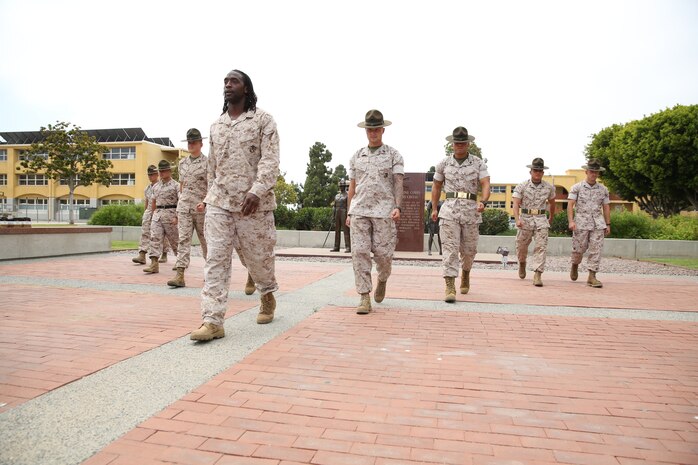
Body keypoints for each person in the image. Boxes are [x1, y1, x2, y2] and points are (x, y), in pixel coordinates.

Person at [191, 69, 280, 341]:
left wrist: (257, 190)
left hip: (253, 204)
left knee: (259, 259)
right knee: (215, 260)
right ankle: (212, 320)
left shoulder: (263, 120)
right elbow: (212, 166)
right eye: (225, 82)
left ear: (246, 88)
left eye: (234, 81)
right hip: (220, 202)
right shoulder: (216, 125)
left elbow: (270, 160)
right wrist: (208, 197)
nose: (228, 85)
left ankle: (266, 292)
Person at [346, 109, 404, 315]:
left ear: (382, 130)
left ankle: (382, 278)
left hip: (384, 212)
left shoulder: (393, 155)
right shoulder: (356, 156)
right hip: (359, 210)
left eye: (376, 129)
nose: (373, 132)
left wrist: (397, 206)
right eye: (370, 129)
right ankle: (363, 297)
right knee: (359, 253)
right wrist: (349, 211)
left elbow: (398, 183)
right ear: (366, 131)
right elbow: (352, 186)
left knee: (383, 255)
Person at [431, 127, 490, 303]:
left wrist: (484, 201)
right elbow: (436, 186)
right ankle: (450, 285)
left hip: (471, 211)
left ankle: (465, 272)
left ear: (468, 144)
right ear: (452, 144)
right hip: (449, 210)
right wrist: (434, 208)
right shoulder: (443, 164)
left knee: (469, 250)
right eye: (457, 143)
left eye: (463, 143)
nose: (460, 146)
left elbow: (486, 183)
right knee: (449, 249)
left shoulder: (478, 163)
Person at [167, 128, 208, 288]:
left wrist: (205, 202)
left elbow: (211, 185)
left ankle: (211, 273)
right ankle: (180, 274)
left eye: (194, 142)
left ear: (201, 144)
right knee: (183, 240)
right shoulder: (182, 163)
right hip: (184, 207)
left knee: (206, 241)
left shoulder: (207, 163)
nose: (191, 144)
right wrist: (178, 209)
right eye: (189, 142)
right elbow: (182, 187)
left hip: (201, 209)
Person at [512, 158, 556, 286]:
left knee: (541, 247)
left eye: (540, 171)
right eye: (535, 170)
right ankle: (522, 263)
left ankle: (538, 274)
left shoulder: (549, 187)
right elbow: (515, 203)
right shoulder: (522, 186)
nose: (537, 173)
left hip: (541, 219)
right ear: (530, 172)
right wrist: (517, 219)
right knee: (521, 246)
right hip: (525, 218)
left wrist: (551, 217)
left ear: (543, 173)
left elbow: (552, 203)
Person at [567, 159, 611, 288]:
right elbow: (570, 205)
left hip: (598, 223)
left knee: (596, 249)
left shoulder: (603, 189)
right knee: (578, 249)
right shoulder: (577, 187)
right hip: (581, 223)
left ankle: (592, 276)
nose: (594, 174)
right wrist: (571, 221)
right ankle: (575, 264)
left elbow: (606, 207)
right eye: (591, 171)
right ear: (586, 172)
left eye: (596, 172)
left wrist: (608, 224)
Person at [143, 160, 180, 273]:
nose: (162, 173)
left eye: (164, 171)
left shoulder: (176, 186)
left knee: (175, 241)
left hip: (170, 214)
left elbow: (180, 201)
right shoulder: (156, 187)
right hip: (158, 215)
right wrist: (153, 214)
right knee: (154, 238)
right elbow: (153, 201)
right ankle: (154, 264)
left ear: (170, 171)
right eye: (160, 171)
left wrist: (177, 217)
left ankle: (180, 262)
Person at [132, 165, 172, 265]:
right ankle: (142, 254)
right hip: (149, 212)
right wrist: (145, 213)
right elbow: (147, 201)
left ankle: (164, 253)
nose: (151, 177)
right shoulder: (147, 188)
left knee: (162, 235)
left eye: (153, 174)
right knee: (145, 232)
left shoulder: (161, 186)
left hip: (159, 211)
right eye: (149, 175)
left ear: (157, 174)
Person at [330, 179, 351, 253]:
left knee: (346, 230)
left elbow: (349, 206)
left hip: (344, 212)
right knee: (337, 230)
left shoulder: (347, 195)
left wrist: (349, 215)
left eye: (343, 186)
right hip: (337, 212)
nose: (342, 187)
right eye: (341, 186)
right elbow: (334, 206)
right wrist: (333, 215)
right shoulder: (337, 196)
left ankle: (348, 247)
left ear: (345, 187)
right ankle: (336, 247)